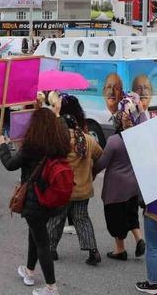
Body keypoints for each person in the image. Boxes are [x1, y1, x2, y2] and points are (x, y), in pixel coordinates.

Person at [0, 108, 71, 295]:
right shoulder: (59, 144)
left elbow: (10, 164)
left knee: (42, 241)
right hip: (51, 198)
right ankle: (29, 271)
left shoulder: (31, 146)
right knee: (36, 233)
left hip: (34, 199)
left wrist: (1, 145)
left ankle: (51, 287)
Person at [47, 96, 104, 265]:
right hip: (83, 190)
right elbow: (100, 155)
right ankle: (93, 251)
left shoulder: (58, 140)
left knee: (56, 219)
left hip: (62, 189)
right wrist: (91, 171)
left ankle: (51, 249)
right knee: (82, 219)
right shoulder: (87, 139)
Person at [92, 102, 146, 262]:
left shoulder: (114, 141)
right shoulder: (138, 137)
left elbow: (103, 162)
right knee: (131, 213)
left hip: (116, 187)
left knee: (115, 217)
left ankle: (120, 250)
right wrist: (141, 110)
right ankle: (139, 239)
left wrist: (92, 172)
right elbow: (145, 124)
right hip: (133, 184)